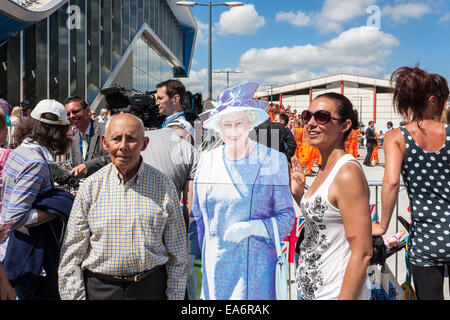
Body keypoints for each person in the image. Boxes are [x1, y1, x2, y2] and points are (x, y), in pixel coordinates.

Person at [58, 113, 188, 300]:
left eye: (132, 139)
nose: (123, 147)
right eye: (116, 139)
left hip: (150, 288)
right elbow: (71, 254)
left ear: (144, 144)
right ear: (105, 142)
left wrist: (174, 296)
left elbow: (178, 254)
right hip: (100, 289)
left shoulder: (163, 186)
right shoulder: (91, 187)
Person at [192, 82, 295, 300]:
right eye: (227, 124)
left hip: (256, 273)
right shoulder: (207, 161)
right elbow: (199, 216)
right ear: (218, 127)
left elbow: (287, 218)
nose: (233, 130)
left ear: (250, 124)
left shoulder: (272, 160)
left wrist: (253, 227)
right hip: (214, 271)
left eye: (239, 123)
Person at [372, 66, 450, 300]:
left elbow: (391, 182)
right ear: (432, 100)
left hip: (427, 238)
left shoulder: (397, 136)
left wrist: (382, 226)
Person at [290, 92, 373, 300]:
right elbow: (326, 220)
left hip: (334, 293)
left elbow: (362, 253)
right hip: (312, 290)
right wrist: (300, 194)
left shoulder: (347, 173)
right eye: (307, 116)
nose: (310, 123)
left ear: (344, 126)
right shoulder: (325, 167)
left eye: (322, 117)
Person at [1, 99, 72, 299]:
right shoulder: (36, 162)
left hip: (13, 250)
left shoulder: (19, 152)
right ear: (57, 132)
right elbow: (16, 217)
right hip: (27, 255)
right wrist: (55, 210)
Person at [64, 96, 110, 179]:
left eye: (75, 111)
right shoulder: (74, 140)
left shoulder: (106, 130)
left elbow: (114, 157)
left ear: (88, 110)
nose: (71, 116)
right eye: (68, 114)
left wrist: (87, 166)